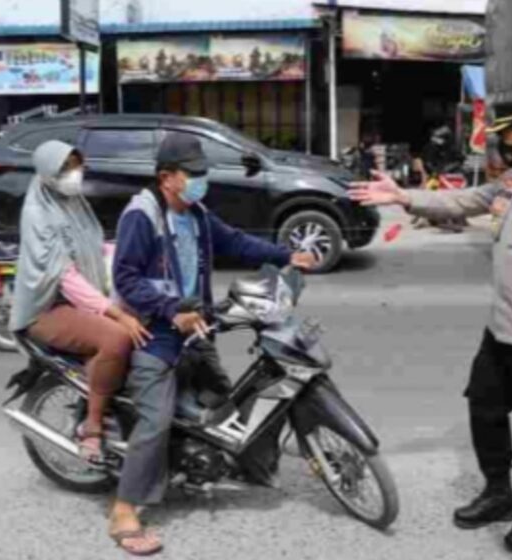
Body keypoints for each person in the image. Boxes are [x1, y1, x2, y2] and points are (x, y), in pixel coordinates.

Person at [351, 93, 512, 553]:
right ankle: (499, 491)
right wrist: (404, 196)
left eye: (506, 135)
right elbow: (463, 201)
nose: (501, 144)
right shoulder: (510, 182)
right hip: (500, 331)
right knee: (484, 409)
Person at [108, 132, 315, 556]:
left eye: (203, 174)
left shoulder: (196, 213)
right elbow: (125, 278)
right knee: (156, 420)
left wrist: (284, 257)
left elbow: (234, 242)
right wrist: (169, 310)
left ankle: (225, 465)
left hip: (195, 328)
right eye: (193, 174)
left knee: (226, 399)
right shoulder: (141, 216)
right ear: (167, 177)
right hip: (156, 334)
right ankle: (124, 509)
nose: (202, 181)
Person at [9, 140, 149, 464]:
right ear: (47, 173)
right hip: (48, 308)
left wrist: (138, 259)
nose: (74, 174)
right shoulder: (38, 212)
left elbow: (96, 248)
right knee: (118, 337)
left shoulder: (72, 202)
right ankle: (93, 428)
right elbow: (65, 276)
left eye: (75, 165)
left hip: (77, 300)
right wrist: (115, 312)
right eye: (64, 168)